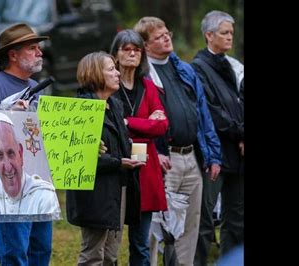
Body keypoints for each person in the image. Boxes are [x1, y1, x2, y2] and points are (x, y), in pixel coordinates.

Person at [133, 17, 222, 266]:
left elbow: (203, 115)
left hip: (191, 156)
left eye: (167, 32)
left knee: (189, 225)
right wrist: (154, 152)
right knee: (154, 227)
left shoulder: (185, 70)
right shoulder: (143, 75)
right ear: (146, 45)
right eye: (159, 36)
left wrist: (213, 155)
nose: (166, 38)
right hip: (162, 158)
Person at [0, 23, 53, 266]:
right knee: (15, 251)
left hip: (38, 181)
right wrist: (8, 115)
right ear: (13, 54)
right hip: (10, 182)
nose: (40, 52)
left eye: (39, 48)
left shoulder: (33, 87)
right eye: (33, 48)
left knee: (41, 249)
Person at [66, 51, 145, 265]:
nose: (118, 73)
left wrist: (128, 153)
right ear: (95, 74)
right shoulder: (81, 110)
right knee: (93, 254)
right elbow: (80, 158)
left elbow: (116, 146)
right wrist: (118, 161)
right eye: (111, 69)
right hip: (94, 193)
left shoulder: (115, 105)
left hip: (117, 187)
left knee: (111, 254)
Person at [109, 29, 169, 265]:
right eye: (126, 49)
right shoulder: (108, 86)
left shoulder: (148, 86)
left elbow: (162, 126)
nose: (132, 53)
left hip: (145, 168)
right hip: (116, 165)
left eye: (137, 49)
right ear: (116, 54)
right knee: (110, 243)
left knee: (140, 243)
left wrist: (127, 122)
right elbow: (109, 126)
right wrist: (146, 123)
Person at [190, 11, 244, 265]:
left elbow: (237, 104)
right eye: (224, 33)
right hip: (214, 155)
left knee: (237, 219)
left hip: (237, 154)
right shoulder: (198, 68)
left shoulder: (230, 65)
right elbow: (212, 112)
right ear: (208, 36)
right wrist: (240, 132)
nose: (230, 37)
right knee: (205, 219)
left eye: (231, 32)